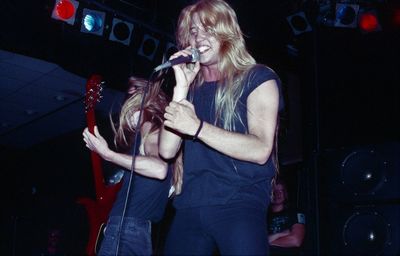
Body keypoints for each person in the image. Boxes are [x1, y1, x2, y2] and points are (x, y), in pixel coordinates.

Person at [158, 0, 283, 254]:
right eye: (193, 31)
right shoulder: (190, 92)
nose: (199, 37)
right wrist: (180, 89)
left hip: (239, 203)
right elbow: (167, 151)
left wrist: (197, 127)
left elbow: (260, 149)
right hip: (190, 205)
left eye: (208, 28)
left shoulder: (257, 77)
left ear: (227, 33)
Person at [82, 75, 173, 255]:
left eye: (131, 100)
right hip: (137, 230)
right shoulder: (160, 134)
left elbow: (159, 168)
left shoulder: (150, 125)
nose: (126, 108)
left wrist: (108, 154)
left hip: (127, 228)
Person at [268, 178, 306, 255]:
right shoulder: (262, 215)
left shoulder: (295, 213)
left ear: (285, 193)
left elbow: (296, 241)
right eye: (274, 191)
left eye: (280, 191)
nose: (277, 194)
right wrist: (280, 234)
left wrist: (268, 241)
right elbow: (256, 240)